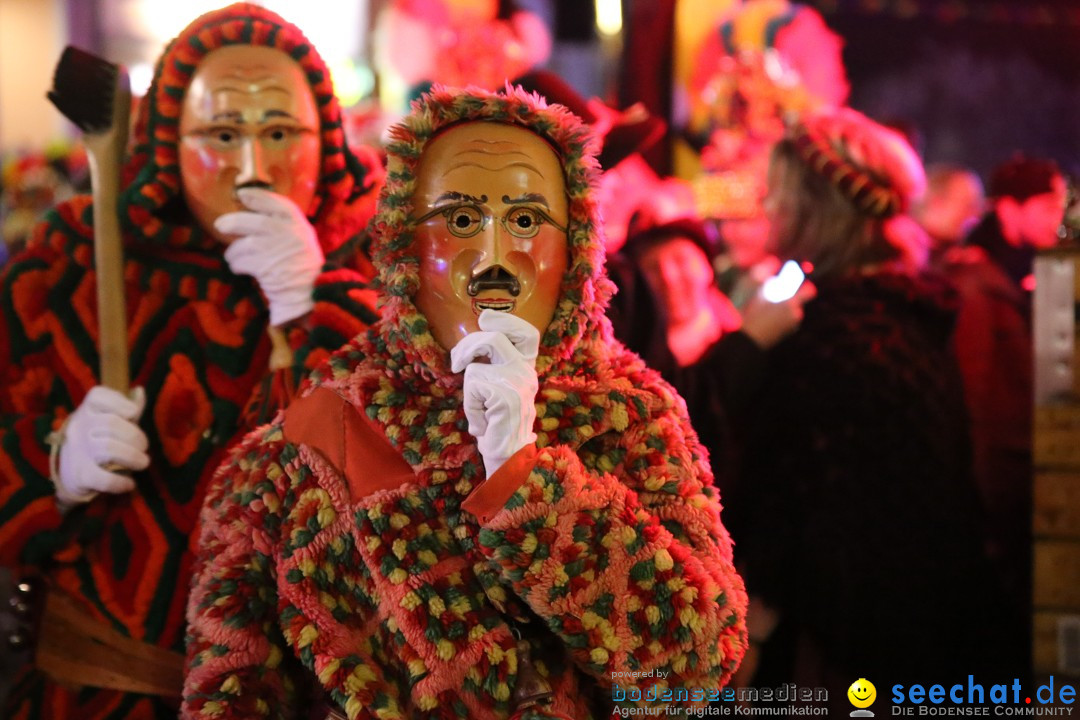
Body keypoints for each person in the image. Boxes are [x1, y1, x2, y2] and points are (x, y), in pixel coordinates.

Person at [183, 84, 748, 719]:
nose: (493, 257)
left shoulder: (633, 416)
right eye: (458, 219)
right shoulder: (288, 459)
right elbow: (228, 694)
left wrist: (526, 482)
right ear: (403, 245)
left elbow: (691, 674)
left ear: (577, 247)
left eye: (528, 220)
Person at [0, 5, 384, 718]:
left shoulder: (385, 267)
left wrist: (317, 305)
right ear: (169, 141)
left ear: (326, 140)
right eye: (222, 134)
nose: (250, 168)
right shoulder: (69, 264)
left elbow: (418, 491)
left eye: (278, 133)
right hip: (93, 695)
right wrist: (53, 465)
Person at [731, 108, 1010, 697]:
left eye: (777, 191)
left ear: (818, 207)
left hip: (848, 651)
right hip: (917, 635)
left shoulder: (841, 335)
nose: (766, 205)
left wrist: (755, 633)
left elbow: (803, 503)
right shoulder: (903, 315)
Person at [942, 156, 1067, 673]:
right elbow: (974, 404)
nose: (1058, 217)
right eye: (1047, 205)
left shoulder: (1022, 274)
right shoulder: (975, 284)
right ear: (1010, 209)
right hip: (1000, 498)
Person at [913, 164, 986, 264]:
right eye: (968, 206)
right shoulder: (902, 256)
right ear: (937, 203)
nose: (975, 219)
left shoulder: (958, 259)